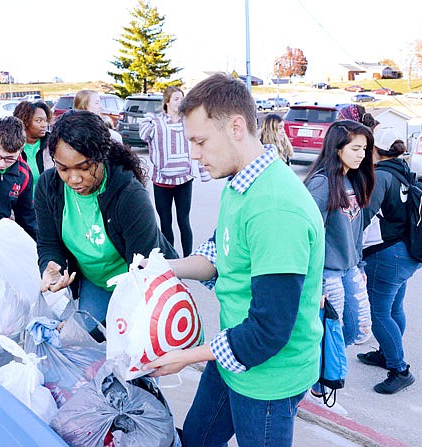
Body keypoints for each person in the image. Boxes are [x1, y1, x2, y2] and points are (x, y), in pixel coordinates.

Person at [144, 73, 325, 447]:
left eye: (200, 141)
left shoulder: (274, 209)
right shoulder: (240, 184)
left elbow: (268, 330)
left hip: (268, 377)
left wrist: (187, 357)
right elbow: (217, 257)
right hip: (230, 357)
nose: (194, 154)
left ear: (237, 127)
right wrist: (162, 269)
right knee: (196, 439)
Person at [35, 110, 176, 334]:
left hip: (141, 285)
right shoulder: (48, 187)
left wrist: (107, 329)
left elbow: (146, 272)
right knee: (83, 339)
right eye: (63, 168)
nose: (73, 179)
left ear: (101, 156)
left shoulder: (130, 196)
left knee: (127, 343)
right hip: (96, 282)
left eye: (83, 167)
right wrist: (51, 267)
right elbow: (48, 243)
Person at [303, 120, 375, 408]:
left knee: (358, 329)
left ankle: (322, 372)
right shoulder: (321, 183)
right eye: (356, 148)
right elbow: (305, 234)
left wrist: (360, 266)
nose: (361, 155)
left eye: (365, 149)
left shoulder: (353, 179)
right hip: (328, 273)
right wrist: (315, 282)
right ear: (338, 148)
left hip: (350, 269)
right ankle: (317, 380)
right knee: (328, 332)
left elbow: (356, 230)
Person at [357, 125, 421, 394]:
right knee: (395, 308)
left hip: (388, 255)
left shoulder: (380, 177)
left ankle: (399, 369)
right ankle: (386, 353)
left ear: (375, 149)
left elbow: (362, 217)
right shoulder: (404, 171)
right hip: (409, 252)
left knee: (379, 312)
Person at [139, 86, 210, 257]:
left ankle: (188, 257)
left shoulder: (188, 123)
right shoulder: (156, 123)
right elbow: (143, 135)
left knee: (184, 221)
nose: (180, 102)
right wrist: (147, 118)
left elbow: (199, 144)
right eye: (176, 98)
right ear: (167, 102)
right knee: (165, 223)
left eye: (181, 98)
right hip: (161, 181)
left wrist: (204, 172)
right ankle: (170, 260)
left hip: (184, 180)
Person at [13, 100, 53, 189]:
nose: (44, 125)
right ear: (24, 121)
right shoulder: (12, 147)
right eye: (39, 121)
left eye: (46, 120)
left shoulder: (53, 144)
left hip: (46, 201)